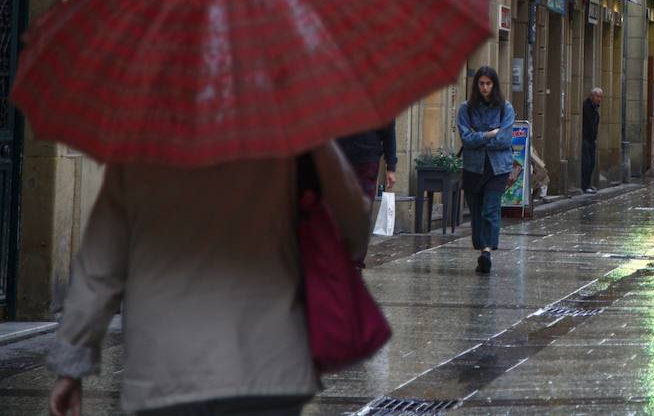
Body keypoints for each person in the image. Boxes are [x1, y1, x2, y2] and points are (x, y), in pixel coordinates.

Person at [46, 142, 370, 416]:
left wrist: (71, 364)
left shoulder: (146, 143)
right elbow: (352, 225)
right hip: (269, 362)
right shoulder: (295, 132)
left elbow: (101, 261)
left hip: (166, 366)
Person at [457, 66, 516, 274]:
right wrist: (489, 135)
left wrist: (479, 137)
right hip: (473, 167)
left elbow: (505, 139)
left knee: (490, 210)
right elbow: (465, 138)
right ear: (476, 85)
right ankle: (482, 248)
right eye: (481, 84)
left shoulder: (505, 108)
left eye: (488, 84)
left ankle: (486, 252)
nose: (484, 88)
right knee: (476, 212)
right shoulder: (466, 109)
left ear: (494, 85)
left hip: (497, 167)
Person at [336, 120, 398, 263]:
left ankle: (355, 259)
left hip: (364, 160)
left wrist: (391, 165)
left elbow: (389, 129)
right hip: (344, 158)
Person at [581, 87, 603, 193]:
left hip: (591, 139)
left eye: (600, 97)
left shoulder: (595, 108)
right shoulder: (586, 106)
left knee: (592, 162)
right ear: (592, 96)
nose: (599, 99)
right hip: (585, 138)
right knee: (587, 162)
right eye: (598, 96)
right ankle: (585, 186)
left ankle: (588, 184)